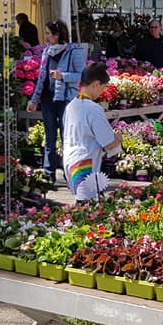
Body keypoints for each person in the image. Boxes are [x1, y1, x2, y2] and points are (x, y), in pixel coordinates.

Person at [25, 20, 87, 180]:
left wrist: (63, 76)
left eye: (48, 33)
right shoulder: (46, 52)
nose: (45, 37)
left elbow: (82, 76)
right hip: (47, 100)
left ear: (57, 35)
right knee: (49, 137)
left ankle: (69, 173)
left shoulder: (73, 52)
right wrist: (34, 99)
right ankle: (48, 174)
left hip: (66, 100)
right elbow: (41, 78)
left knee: (67, 137)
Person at [63, 62, 122, 200]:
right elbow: (108, 143)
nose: (102, 92)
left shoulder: (71, 105)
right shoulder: (93, 109)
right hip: (85, 164)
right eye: (102, 88)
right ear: (95, 84)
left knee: (83, 202)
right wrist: (118, 138)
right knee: (87, 208)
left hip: (71, 160)